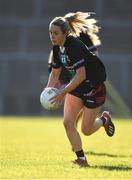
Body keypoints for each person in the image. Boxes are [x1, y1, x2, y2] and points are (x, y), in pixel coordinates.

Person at [46, 12, 115, 166]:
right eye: (50, 33)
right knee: (67, 122)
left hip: (93, 87)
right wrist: (48, 91)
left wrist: (62, 92)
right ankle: (81, 159)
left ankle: (104, 120)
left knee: (86, 130)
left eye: (55, 33)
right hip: (77, 86)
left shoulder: (74, 45)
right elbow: (55, 73)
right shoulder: (57, 48)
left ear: (65, 33)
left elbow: (81, 75)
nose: (52, 36)